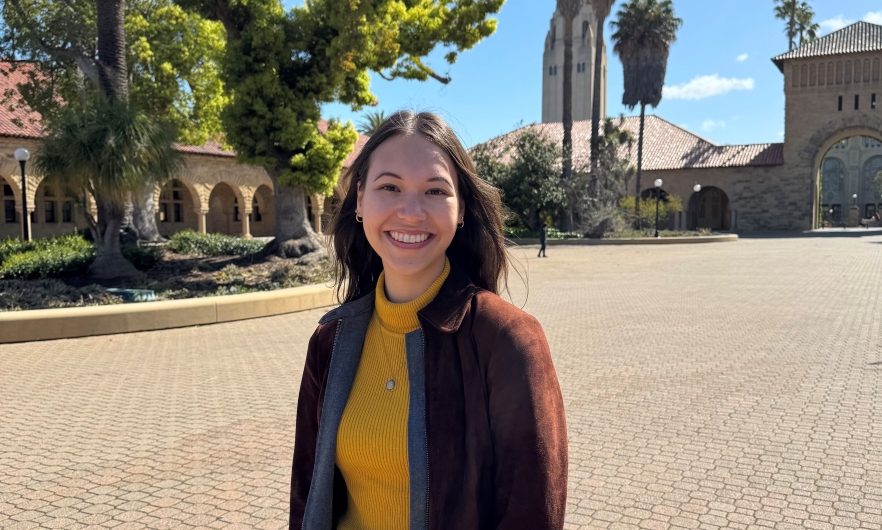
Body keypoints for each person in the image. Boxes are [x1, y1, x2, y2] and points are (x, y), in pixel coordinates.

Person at [289, 111, 567, 530]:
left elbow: (532, 513)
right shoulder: (331, 341)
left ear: (461, 210)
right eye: (390, 187)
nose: (412, 212)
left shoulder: (507, 341)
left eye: (435, 191)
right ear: (360, 200)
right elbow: (307, 491)